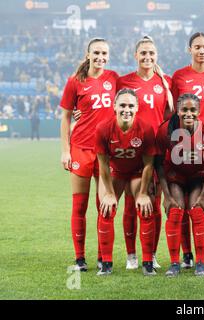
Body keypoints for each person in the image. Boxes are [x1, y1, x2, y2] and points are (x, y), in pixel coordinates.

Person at [60, 38, 119, 271]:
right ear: (88, 54)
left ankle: (105, 259)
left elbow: (134, 95)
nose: (100, 57)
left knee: (105, 205)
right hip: (81, 149)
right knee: (80, 206)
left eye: (104, 53)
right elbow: (65, 117)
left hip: (106, 152)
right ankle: (80, 259)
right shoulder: (75, 82)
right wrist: (65, 151)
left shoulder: (114, 78)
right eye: (96, 52)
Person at [117, 36, 173, 271]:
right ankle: (131, 255)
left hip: (157, 150)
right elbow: (113, 111)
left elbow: (172, 114)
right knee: (132, 203)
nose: (147, 57)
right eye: (143, 53)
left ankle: (151, 253)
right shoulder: (124, 81)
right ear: (135, 55)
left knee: (154, 202)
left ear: (156, 56)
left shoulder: (165, 82)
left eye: (151, 53)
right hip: (132, 149)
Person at [171, 32, 204, 269]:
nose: (201, 50)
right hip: (183, 143)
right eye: (197, 47)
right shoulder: (179, 76)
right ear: (189, 49)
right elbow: (171, 108)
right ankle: (186, 254)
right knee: (183, 201)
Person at [155, 93, 204, 277]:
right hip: (175, 175)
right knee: (175, 210)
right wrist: (167, 196)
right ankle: (175, 263)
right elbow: (158, 163)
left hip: (198, 176)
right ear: (177, 110)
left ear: (199, 111)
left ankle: (200, 263)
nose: (188, 114)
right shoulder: (165, 130)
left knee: (197, 209)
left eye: (193, 110)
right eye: (184, 109)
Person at [95, 88, 157, 276]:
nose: (126, 109)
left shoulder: (146, 128)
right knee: (106, 208)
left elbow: (148, 165)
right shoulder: (103, 128)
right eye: (122, 105)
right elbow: (103, 164)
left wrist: (144, 192)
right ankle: (106, 264)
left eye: (131, 105)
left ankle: (147, 263)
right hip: (115, 172)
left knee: (146, 209)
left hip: (138, 172)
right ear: (114, 106)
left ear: (137, 107)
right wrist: (109, 193)